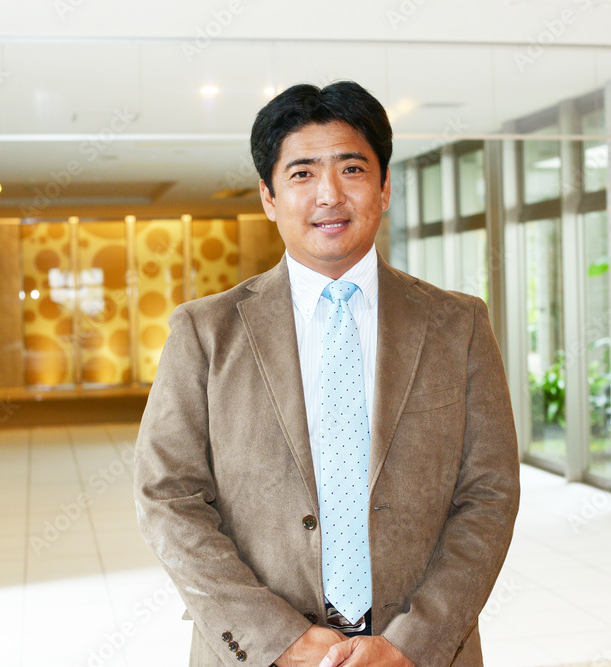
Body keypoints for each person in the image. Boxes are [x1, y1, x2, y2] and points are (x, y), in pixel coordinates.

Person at [134, 80, 520, 667]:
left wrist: (412, 643)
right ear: (268, 197)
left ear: (384, 188)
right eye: (302, 173)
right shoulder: (205, 332)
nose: (329, 194)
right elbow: (167, 494)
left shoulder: (458, 324)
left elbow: (489, 494)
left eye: (352, 169)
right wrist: (275, 637)